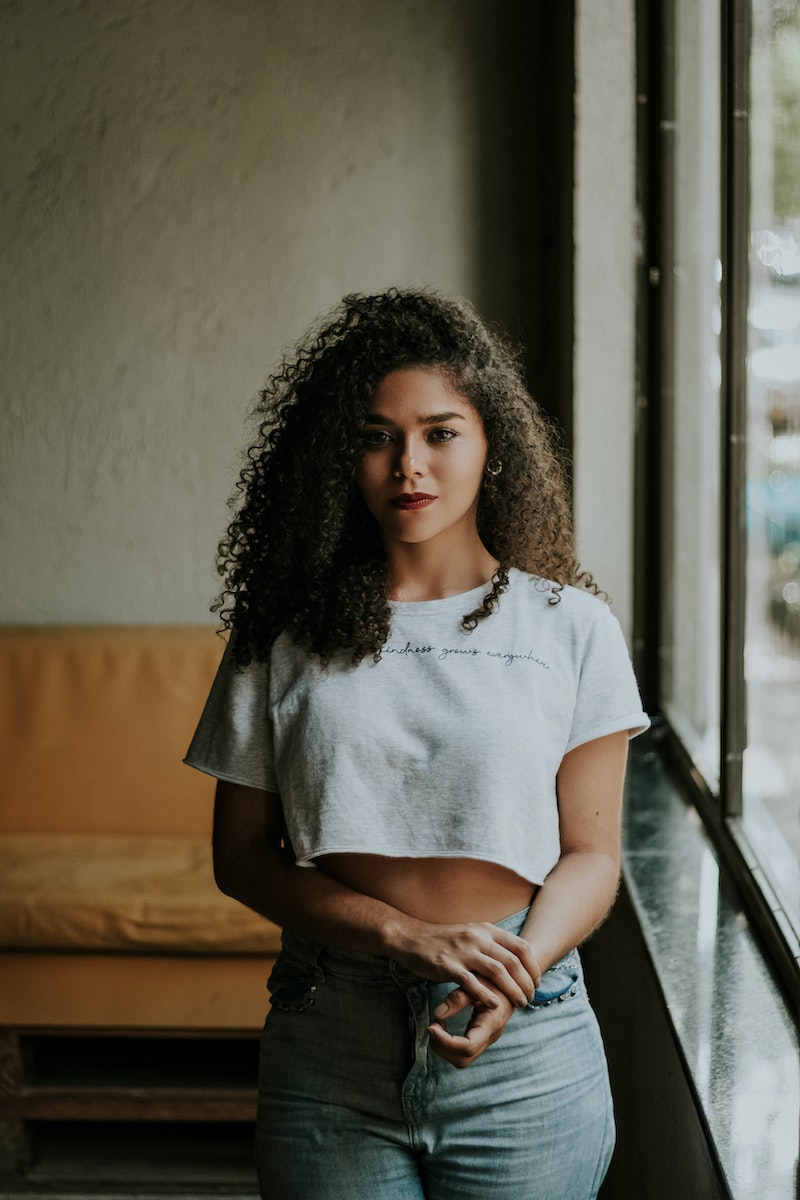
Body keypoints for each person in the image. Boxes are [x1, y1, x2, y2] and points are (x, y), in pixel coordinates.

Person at [184, 288, 649, 1200]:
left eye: (441, 432)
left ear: (491, 446)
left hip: (526, 1029)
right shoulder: (284, 631)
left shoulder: (572, 628)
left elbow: (593, 856)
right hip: (331, 1030)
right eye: (376, 436)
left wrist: (516, 973)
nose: (410, 465)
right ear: (335, 457)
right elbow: (241, 858)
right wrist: (401, 937)